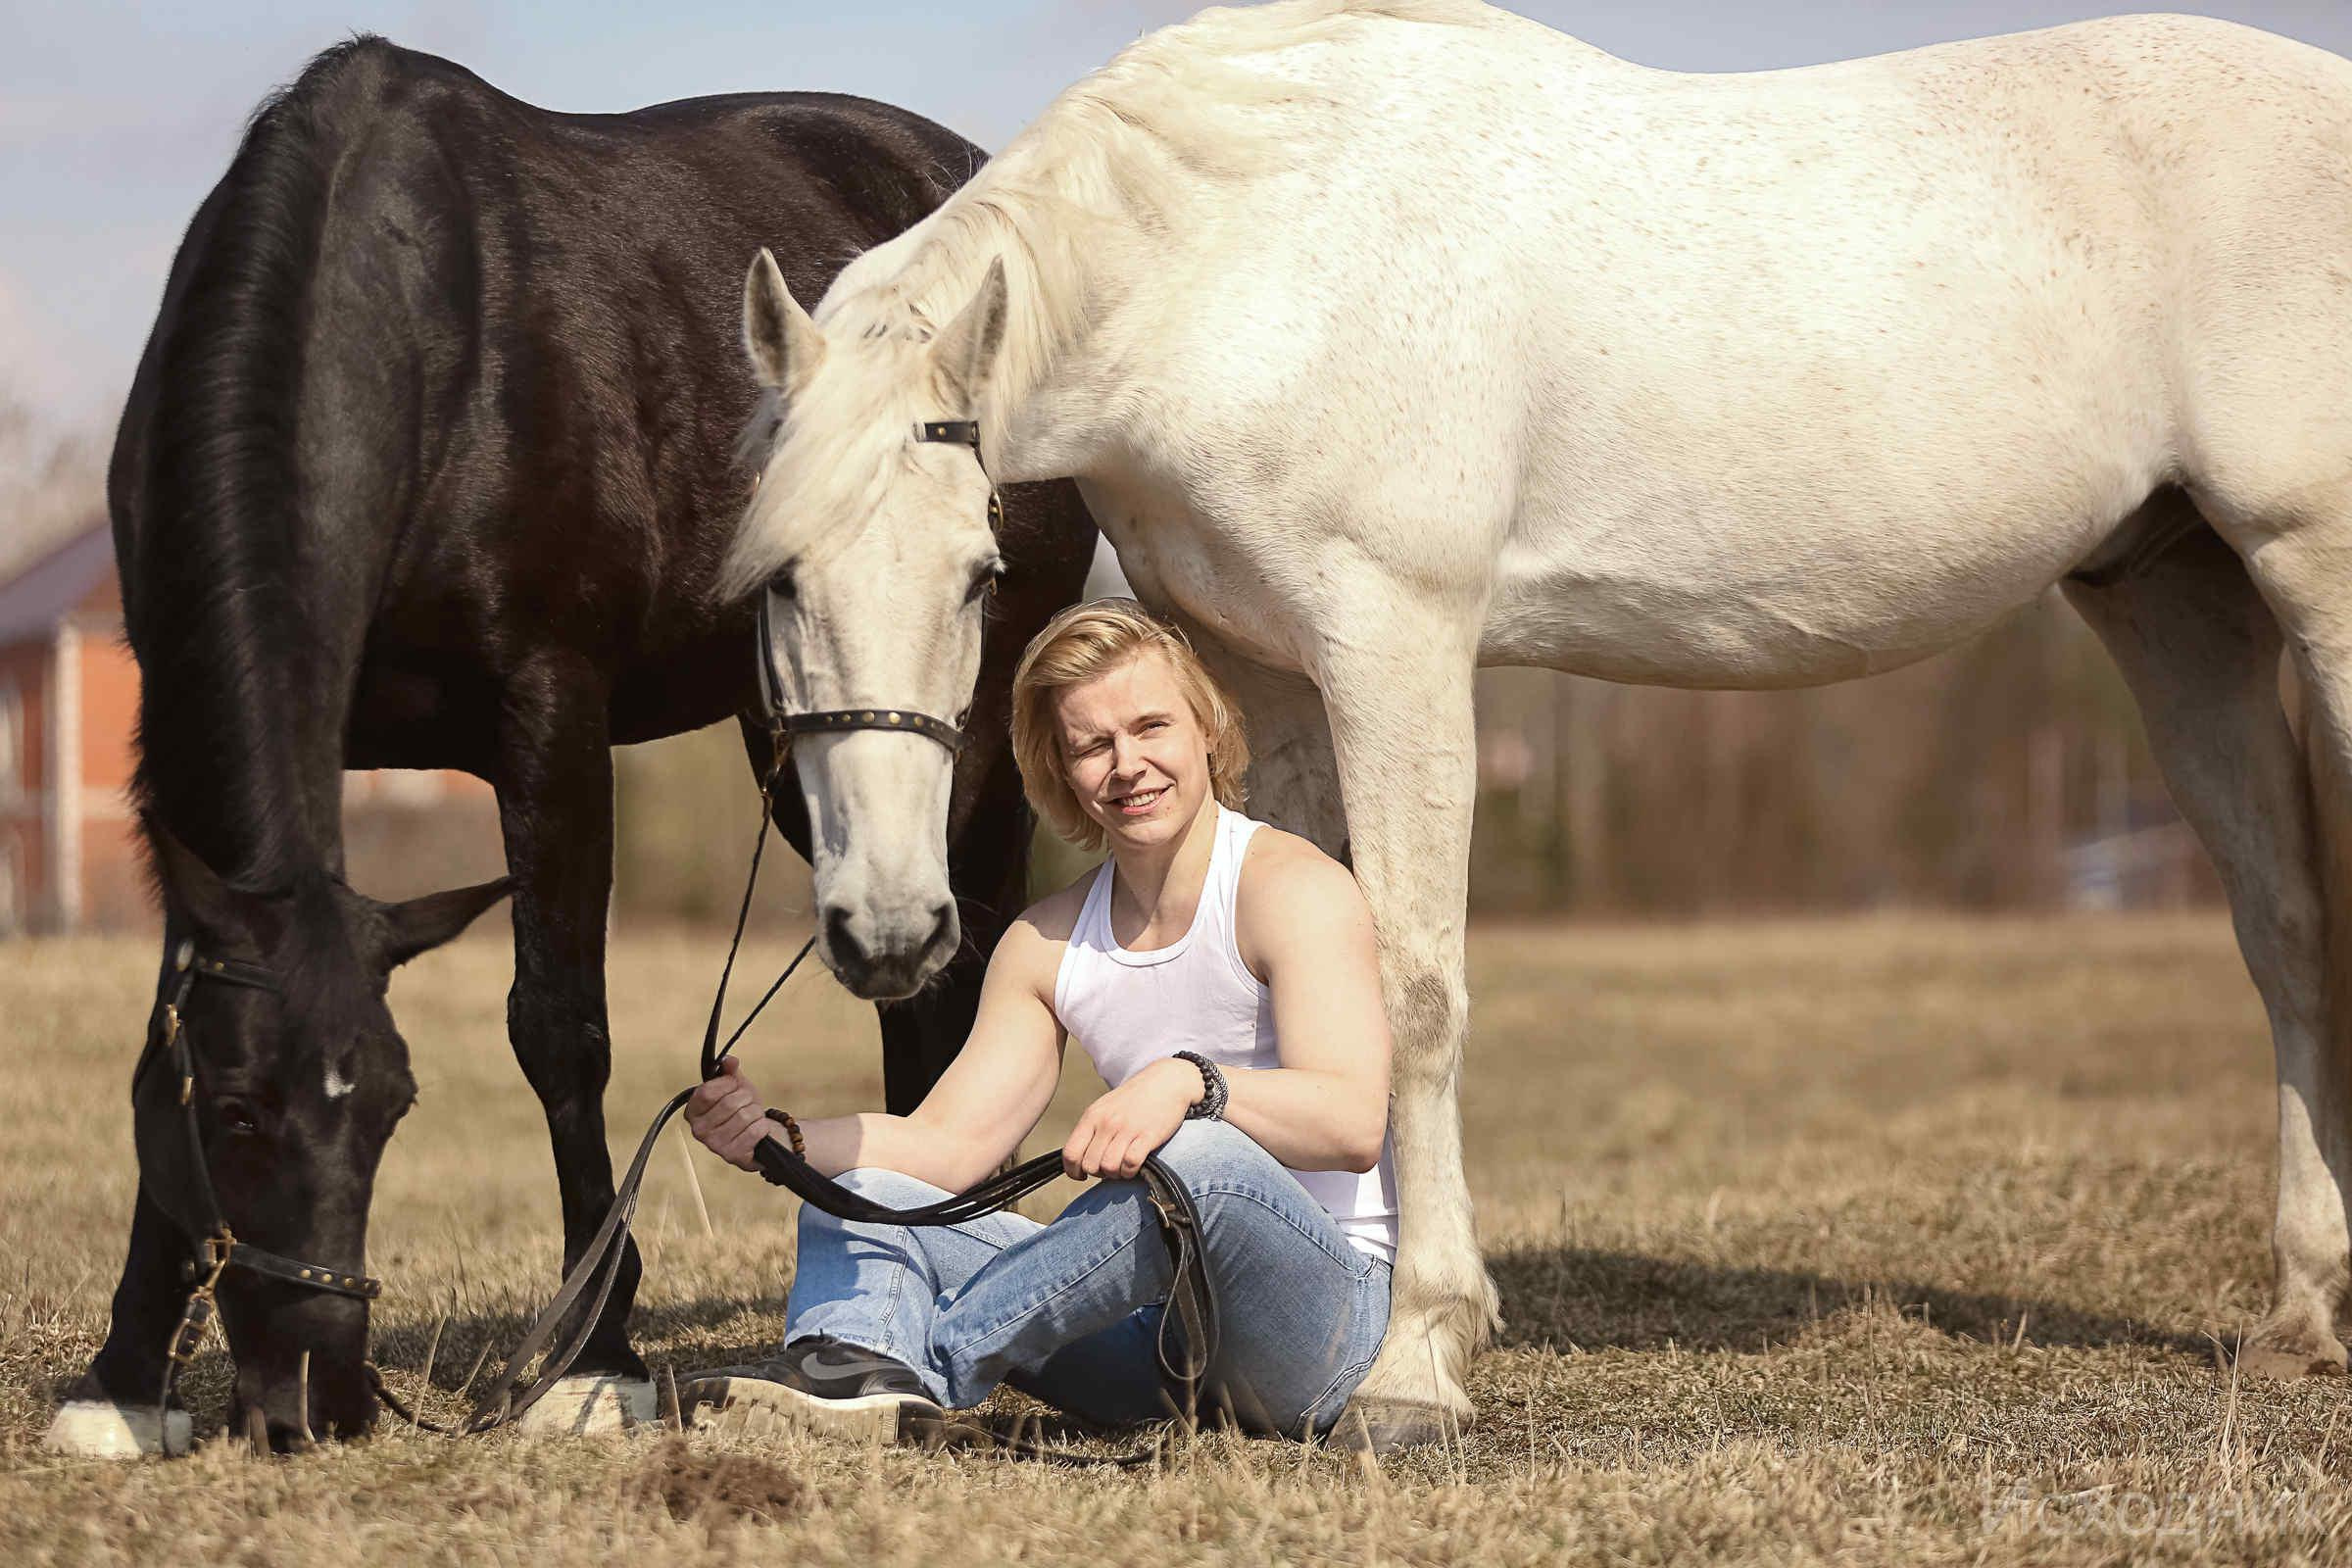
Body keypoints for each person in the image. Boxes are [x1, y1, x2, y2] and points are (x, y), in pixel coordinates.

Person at [683, 599, 1397, 1443]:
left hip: (1319, 1329)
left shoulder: (1291, 887)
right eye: (1093, 745)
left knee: (1191, 1154)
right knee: (856, 1195)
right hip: (1156, 1346)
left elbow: (1353, 1123)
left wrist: (1187, 1084)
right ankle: (857, 1380)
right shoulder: (1045, 940)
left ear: (1206, 725)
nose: (1127, 765)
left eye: (1151, 727)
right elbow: (946, 1148)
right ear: (1060, 767)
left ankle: (929, 1365)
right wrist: (779, 1138)